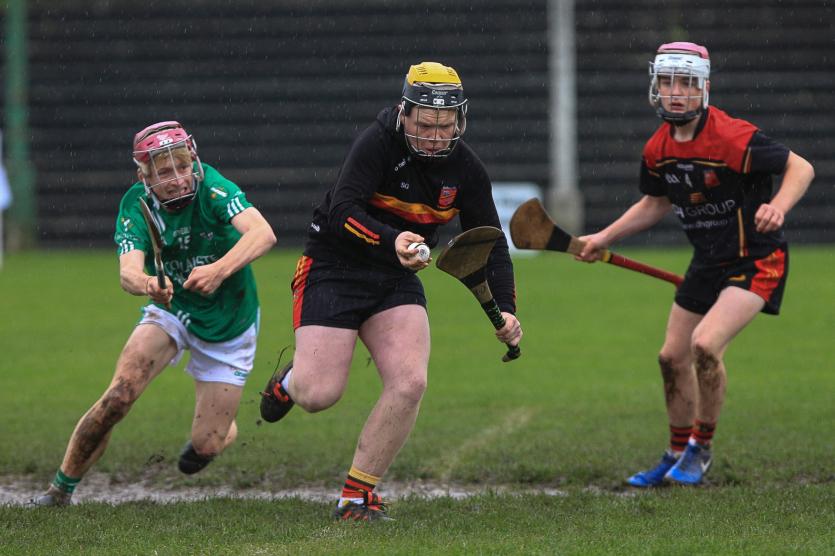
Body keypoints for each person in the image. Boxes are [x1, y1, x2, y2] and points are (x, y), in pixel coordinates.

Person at [259, 61, 523, 521]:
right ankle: (289, 381)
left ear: (459, 120)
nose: (435, 136)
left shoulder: (466, 168)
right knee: (318, 394)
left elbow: (489, 243)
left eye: (445, 126)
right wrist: (391, 240)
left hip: (395, 279)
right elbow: (342, 210)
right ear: (405, 113)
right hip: (334, 267)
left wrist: (508, 308)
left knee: (410, 381)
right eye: (425, 125)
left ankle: (356, 497)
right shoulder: (377, 143)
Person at [576, 42, 814, 486]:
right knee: (671, 357)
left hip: (756, 259)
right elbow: (655, 203)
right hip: (707, 261)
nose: (676, 92)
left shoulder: (732, 137)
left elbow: (800, 167)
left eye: (686, 83)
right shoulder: (658, 148)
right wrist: (603, 237)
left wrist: (778, 207)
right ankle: (674, 451)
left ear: (703, 88)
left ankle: (700, 449)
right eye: (668, 82)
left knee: (705, 345)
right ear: (656, 86)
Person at [31, 121, 277, 506]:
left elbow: (262, 233)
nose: (178, 179)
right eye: (164, 172)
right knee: (119, 395)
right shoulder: (136, 204)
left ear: (194, 162)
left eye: (183, 167)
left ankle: (221, 430)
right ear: (144, 176)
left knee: (207, 444)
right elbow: (128, 271)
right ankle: (60, 490)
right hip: (172, 309)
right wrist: (149, 285)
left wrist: (218, 270)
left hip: (230, 320)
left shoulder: (214, 187)